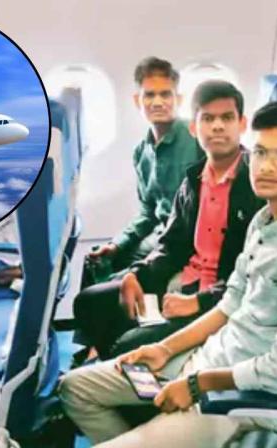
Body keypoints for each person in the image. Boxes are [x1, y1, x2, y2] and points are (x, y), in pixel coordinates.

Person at [59, 101, 277, 448]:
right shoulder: (264, 220)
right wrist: (163, 348)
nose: (267, 166)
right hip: (201, 361)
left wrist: (198, 385)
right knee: (74, 389)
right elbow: (229, 305)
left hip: (237, 401)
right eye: (261, 152)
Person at [73, 80, 264, 360]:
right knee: (90, 302)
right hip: (184, 281)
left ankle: (120, 370)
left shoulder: (256, 185)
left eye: (227, 118)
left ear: (242, 124)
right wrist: (136, 274)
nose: (218, 126)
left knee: (129, 344)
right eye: (208, 119)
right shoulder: (193, 181)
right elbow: (171, 246)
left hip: (219, 299)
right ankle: (107, 364)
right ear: (193, 128)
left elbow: (254, 273)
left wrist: (199, 301)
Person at [82, 56, 204, 287]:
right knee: (96, 263)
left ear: (178, 99)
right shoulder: (141, 152)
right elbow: (148, 213)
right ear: (138, 100)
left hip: (184, 242)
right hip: (158, 235)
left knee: (106, 289)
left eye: (165, 94)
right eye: (149, 95)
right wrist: (117, 244)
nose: (157, 102)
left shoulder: (197, 138)